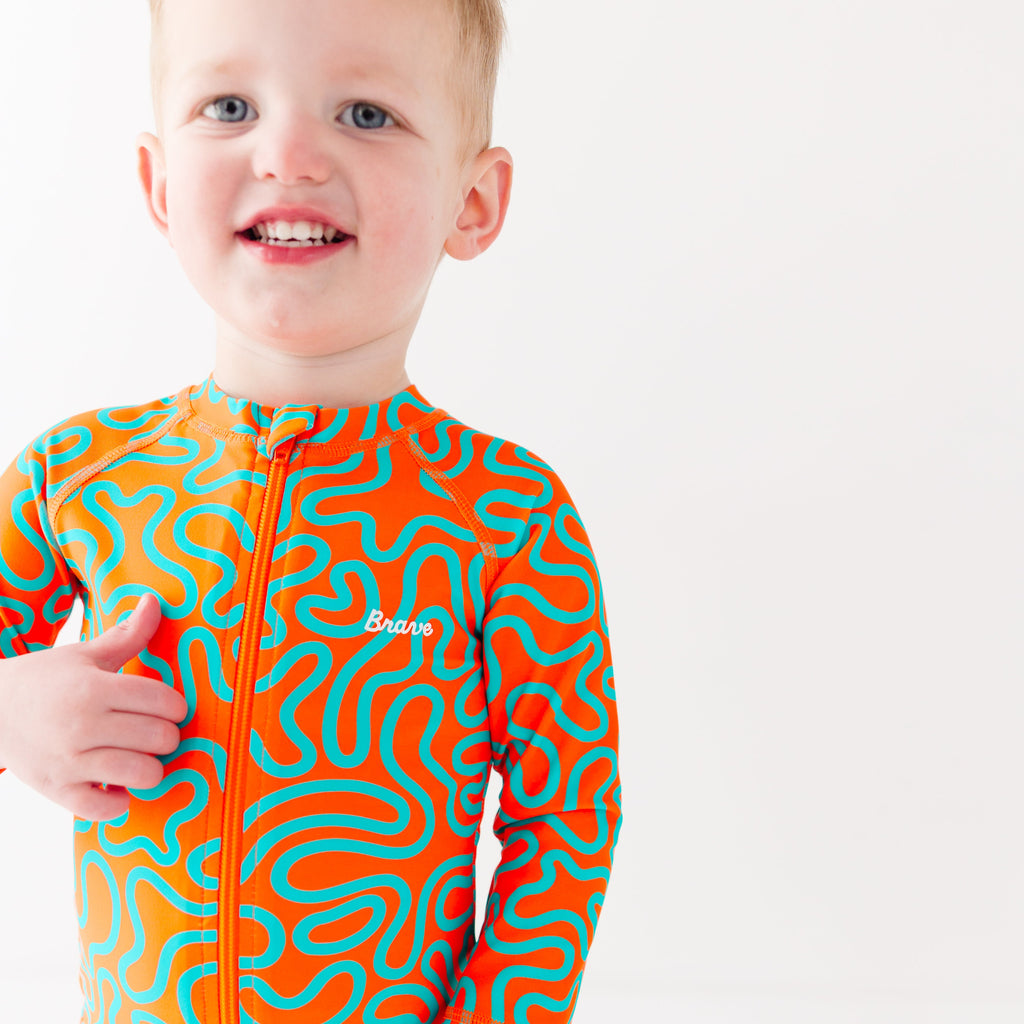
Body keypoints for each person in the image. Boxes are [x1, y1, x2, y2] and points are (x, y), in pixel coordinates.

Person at [0, 0, 623, 1021]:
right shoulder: (77, 475)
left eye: (366, 114)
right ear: (159, 185)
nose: (287, 153)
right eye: (231, 103)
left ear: (473, 202)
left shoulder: (506, 516)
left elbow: (567, 814)